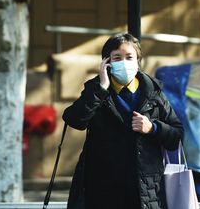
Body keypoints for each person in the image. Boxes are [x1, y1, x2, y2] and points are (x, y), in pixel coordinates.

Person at [62, 33, 184, 209]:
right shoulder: (96, 90)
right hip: (103, 189)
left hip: (145, 191)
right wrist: (101, 88)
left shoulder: (154, 93)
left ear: (137, 61)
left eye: (129, 57)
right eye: (117, 58)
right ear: (107, 62)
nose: (124, 63)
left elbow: (177, 136)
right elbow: (74, 120)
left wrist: (153, 128)